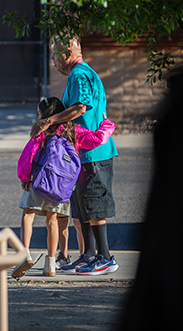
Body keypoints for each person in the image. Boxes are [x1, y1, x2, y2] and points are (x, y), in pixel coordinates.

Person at [31, 37, 119, 275]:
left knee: (94, 205)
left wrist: (48, 120)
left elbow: (80, 107)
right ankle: (89, 255)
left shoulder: (80, 74)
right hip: (83, 155)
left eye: (54, 56)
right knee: (83, 208)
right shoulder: (80, 73)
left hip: (94, 154)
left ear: (67, 53)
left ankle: (106, 257)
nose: (53, 61)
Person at [12, 96, 115, 278]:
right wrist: (107, 124)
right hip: (60, 186)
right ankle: (51, 264)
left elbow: (29, 155)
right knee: (52, 220)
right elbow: (97, 138)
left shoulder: (42, 130)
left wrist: (24, 177)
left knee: (28, 214)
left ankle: (24, 253)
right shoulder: (73, 131)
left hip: (40, 181)